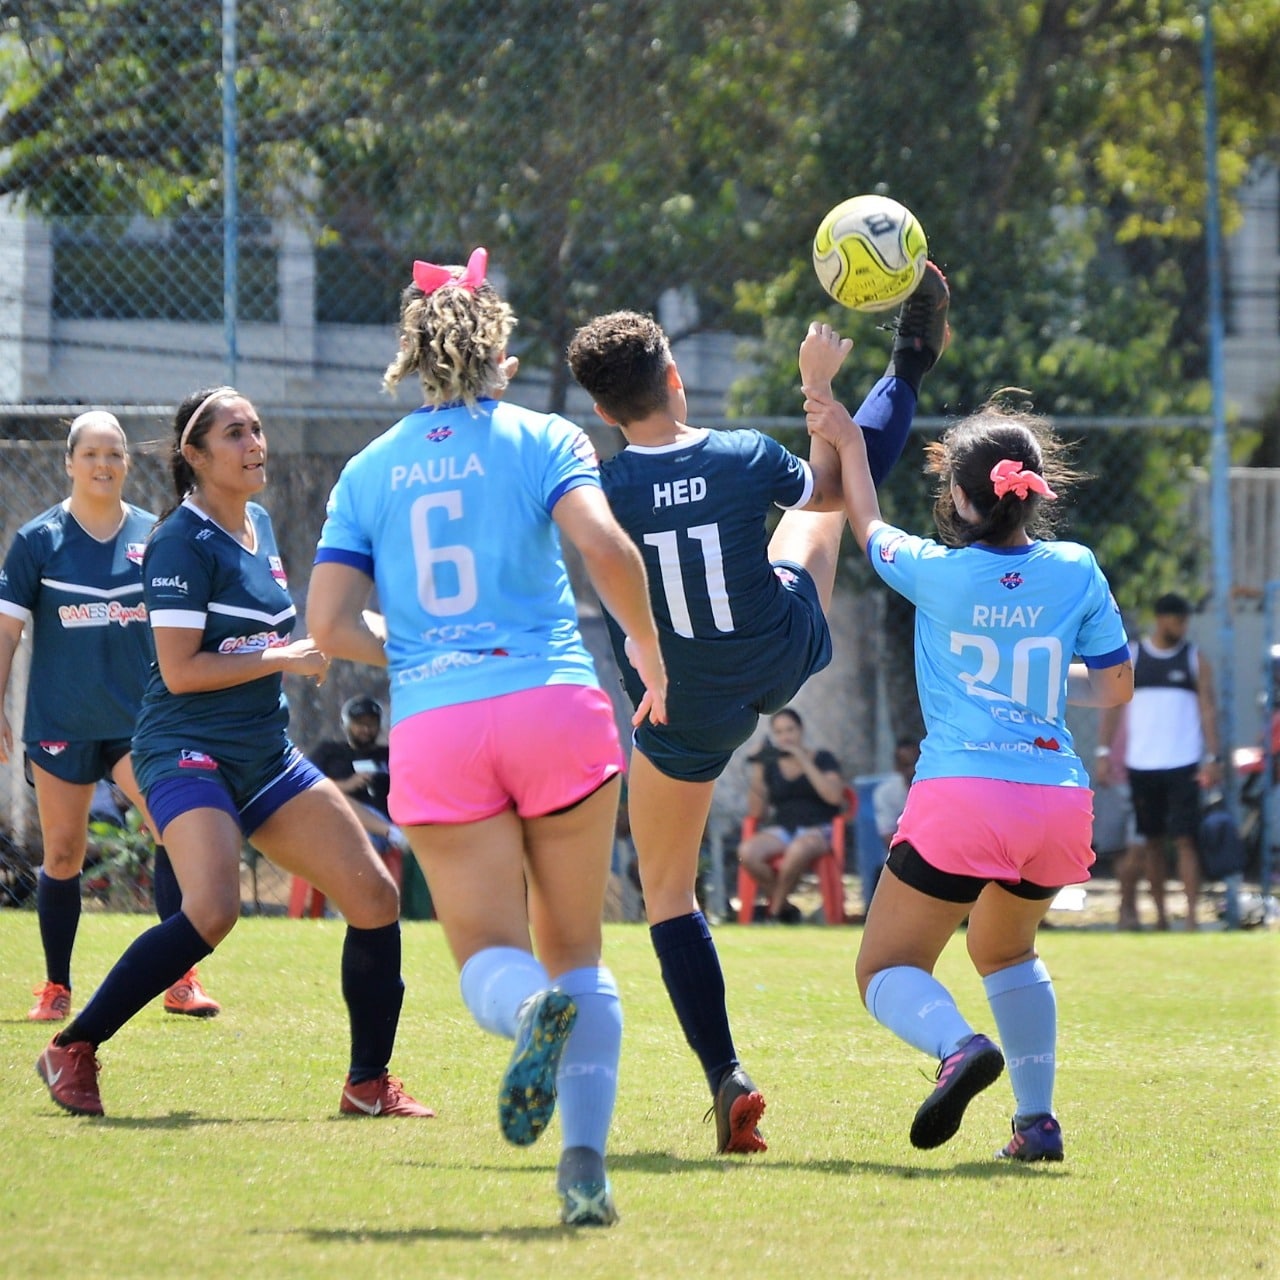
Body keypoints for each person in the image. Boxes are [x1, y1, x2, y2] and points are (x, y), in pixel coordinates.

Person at [306, 248, 667, 1228]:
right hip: (553, 702)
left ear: (413, 357)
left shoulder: (368, 469)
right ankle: (582, 1170)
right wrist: (642, 643)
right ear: (497, 352)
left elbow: (330, 621)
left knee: (487, 960)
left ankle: (524, 1017)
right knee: (579, 952)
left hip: (437, 719)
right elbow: (603, 545)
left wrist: (412, 647)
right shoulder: (544, 435)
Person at [566, 262, 950, 1154]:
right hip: (777, 651)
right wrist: (820, 393)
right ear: (676, 379)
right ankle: (910, 362)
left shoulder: (597, 492)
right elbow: (828, 485)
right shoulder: (738, 455)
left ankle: (724, 1074)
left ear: (600, 412)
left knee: (668, 891)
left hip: (681, 699)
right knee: (816, 515)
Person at [34, 388, 432, 1123]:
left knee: (374, 897)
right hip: (184, 747)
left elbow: (283, 634)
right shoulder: (179, 542)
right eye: (235, 433)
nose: (256, 442)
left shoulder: (257, 523)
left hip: (264, 753)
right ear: (195, 456)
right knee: (212, 911)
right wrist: (282, 655)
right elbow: (182, 670)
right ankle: (74, 1046)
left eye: (256, 428)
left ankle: (367, 1085)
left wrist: (354, 632)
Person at [804, 341, 1133, 1164]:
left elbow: (865, 521)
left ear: (958, 496)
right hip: (1056, 801)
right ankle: (1038, 1124)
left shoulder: (936, 572)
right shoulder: (1075, 567)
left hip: (964, 796)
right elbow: (1117, 685)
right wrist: (1053, 697)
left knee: (885, 968)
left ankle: (958, 1047)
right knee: (1006, 949)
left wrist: (846, 440)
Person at [0, 411, 219, 1023]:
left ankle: (180, 978)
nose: (103, 464)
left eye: (115, 454)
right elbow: (6, 632)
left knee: (171, 827)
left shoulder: (157, 537)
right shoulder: (37, 540)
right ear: (69, 463)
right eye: (91, 453)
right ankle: (55, 987)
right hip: (61, 721)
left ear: (127, 463)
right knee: (64, 854)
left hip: (137, 724)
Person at [1095, 592, 1219, 930]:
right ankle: (1161, 916)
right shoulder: (1134, 657)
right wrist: (1104, 753)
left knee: (1186, 840)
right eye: (1177, 620)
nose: (1182, 627)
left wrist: (1212, 757)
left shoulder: (1194, 659)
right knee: (1150, 843)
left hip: (1185, 763)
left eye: (1185, 621)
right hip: (1142, 763)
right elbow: (1114, 708)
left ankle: (1192, 916)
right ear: (1161, 618)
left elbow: (1208, 708)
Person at [737, 707, 845, 923]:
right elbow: (757, 812)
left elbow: (834, 797)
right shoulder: (772, 767)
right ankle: (785, 907)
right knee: (747, 853)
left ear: (801, 730)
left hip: (818, 828)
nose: (785, 736)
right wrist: (759, 767)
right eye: (779, 732)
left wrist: (803, 760)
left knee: (796, 851)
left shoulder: (823, 758)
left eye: (790, 730)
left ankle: (775, 914)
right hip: (784, 829)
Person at [307, 694, 411, 880]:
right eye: (359, 723)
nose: (365, 729)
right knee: (336, 798)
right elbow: (305, 788)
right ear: (346, 723)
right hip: (332, 820)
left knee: (358, 841)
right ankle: (392, 833)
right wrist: (346, 785)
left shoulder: (389, 755)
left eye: (371, 723)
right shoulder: (329, 751)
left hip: (377, 823)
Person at [869, 736, 921, 908]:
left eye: (916, 762)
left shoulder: (939, 788)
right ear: (897, 768)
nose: (913, 770)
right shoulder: (885, 793)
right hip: (905, 854)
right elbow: (888, 838)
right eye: (906, 765)